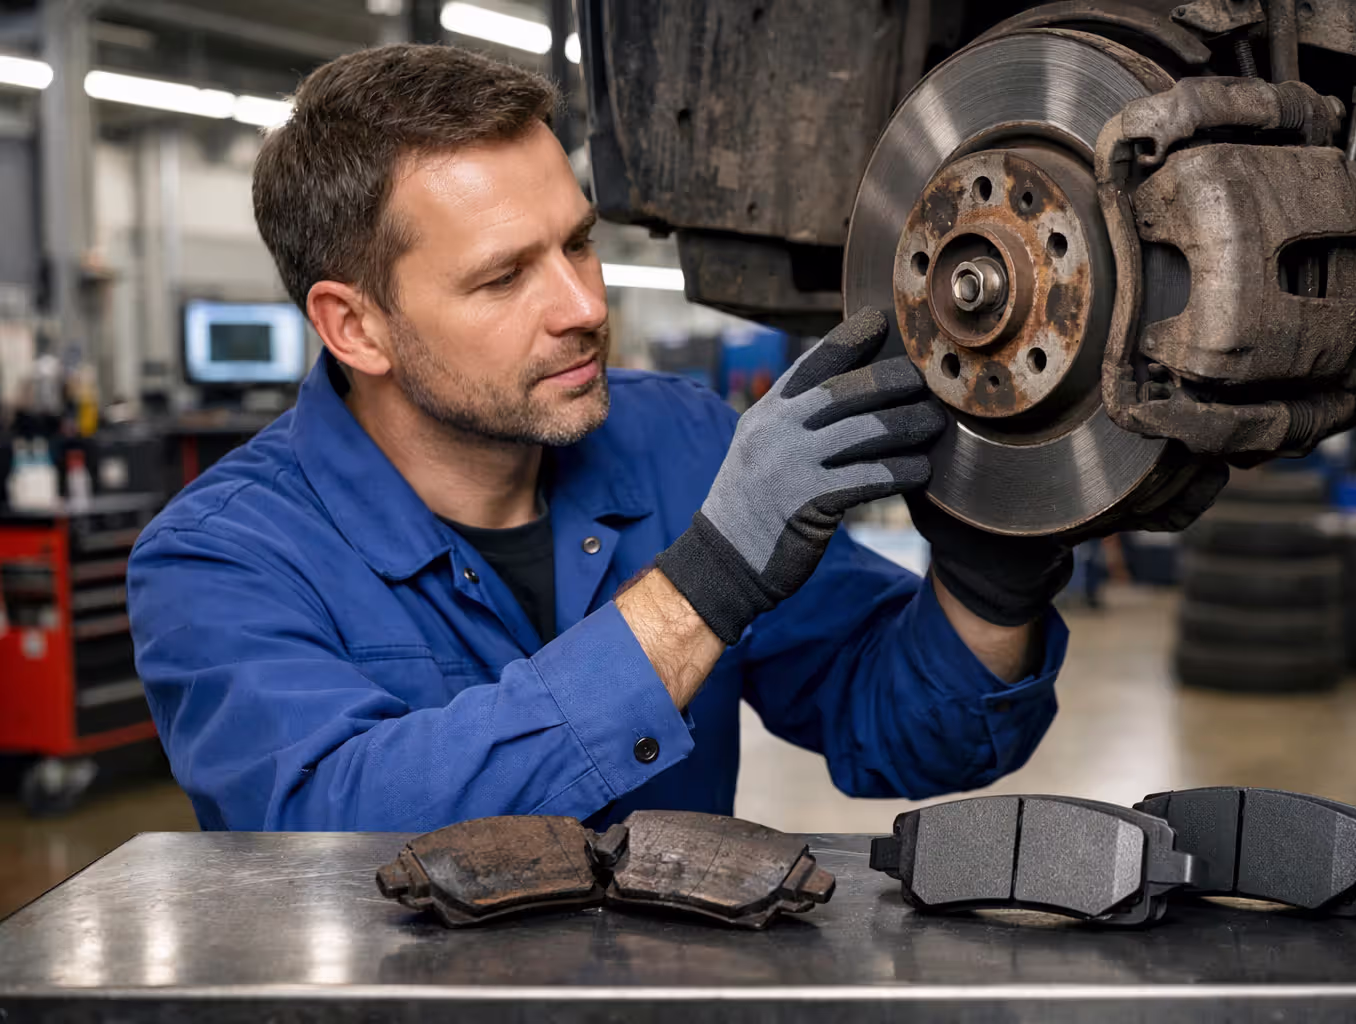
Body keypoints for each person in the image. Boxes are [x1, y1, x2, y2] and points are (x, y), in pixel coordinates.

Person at [126, 44, 1078, 832]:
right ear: (355, 327)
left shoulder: (683, 445)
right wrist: (704, 587)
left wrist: (993, 569)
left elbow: (904, 729)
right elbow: (331, 830)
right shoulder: (218, 559)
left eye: (577, 244)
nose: (583, 306)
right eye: (503, 279)